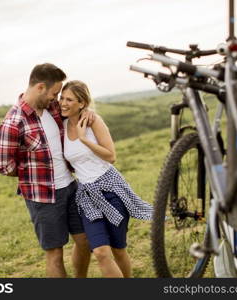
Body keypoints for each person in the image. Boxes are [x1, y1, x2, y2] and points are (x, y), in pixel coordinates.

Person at [0, 63, 92, 278]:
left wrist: (88, 111)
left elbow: (74, 112)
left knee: (85, 241)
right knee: (55, 254)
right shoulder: (12, 123)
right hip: (42, 197)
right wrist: (30, 172)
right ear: (40, 87)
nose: (56, 98)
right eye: (55, 93)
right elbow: (3, 166)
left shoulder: (53, 108)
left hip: (71, 187)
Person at [59, 80, 153, 278]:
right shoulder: (62, 124)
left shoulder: (94, 122)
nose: (63, 103)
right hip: (86, 195)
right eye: (62, 98)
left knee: (118, 250)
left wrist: (84, 139)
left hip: (110, 189)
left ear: (82, 103)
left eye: (69, 99)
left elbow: (111, 156)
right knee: (101, 252)